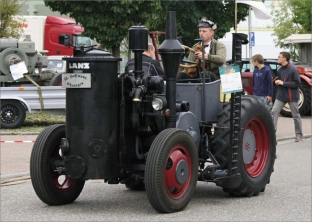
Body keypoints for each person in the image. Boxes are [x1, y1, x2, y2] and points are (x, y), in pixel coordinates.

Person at [271, 51, 303, 142]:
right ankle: (272, 135)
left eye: (279, 57)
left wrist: (283, 83)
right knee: (274, 112)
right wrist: (277, 82)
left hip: (292, 96)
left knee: (295, 115)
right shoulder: (280, 69)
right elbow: (280, 80)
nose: (278, 58)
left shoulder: (293, 69)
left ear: (284, 58)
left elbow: (297, 84)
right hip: (281, 95)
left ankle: (299, 135)